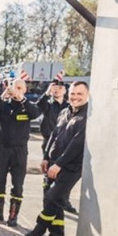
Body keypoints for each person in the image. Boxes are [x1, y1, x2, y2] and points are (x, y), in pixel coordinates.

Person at [24, 82, 89, 236]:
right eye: (73, 93)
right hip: (52, 163)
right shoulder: (65, 112)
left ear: (88, 95)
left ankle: (39, 229)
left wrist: (59, 164)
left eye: (79, 94)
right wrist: (46, 157)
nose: (75, 97)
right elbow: (54, 136)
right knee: (54, 201)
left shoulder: (87, 117)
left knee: (53, 197)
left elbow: (76, 144)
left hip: (70, 167)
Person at [0, 78, 41, 227]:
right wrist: (2, 96)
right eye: (15, 88)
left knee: (18, 183)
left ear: (25, 90)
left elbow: (35, 113)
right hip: (2, 148)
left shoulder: (27, 106)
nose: (17, 91)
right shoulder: (3, 104)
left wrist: (22, 99)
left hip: (19, 150)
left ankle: (13, 216)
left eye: (20, 88)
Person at [35, 79, 76, 214]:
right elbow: (37, 107)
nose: (57, 90)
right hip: (49, 143)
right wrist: (46, 93)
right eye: (54, 88)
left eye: (59, 88)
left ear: (65, 91)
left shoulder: (69, 106)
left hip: (66, 143)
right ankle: (47, 200)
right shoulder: (47, 104)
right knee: (49, 172)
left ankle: (64, 200)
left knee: (65, 174)